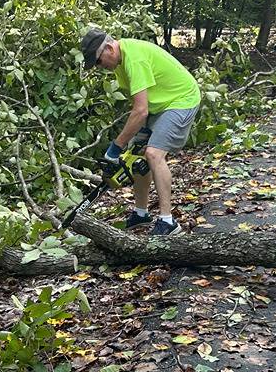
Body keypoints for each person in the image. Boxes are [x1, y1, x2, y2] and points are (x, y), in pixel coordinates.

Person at [81, 27, 200, 236]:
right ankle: (141, 213)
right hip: (160, 105)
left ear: (109, 48)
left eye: (99, 61)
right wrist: (130, 143)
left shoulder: (133, 59)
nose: (100, 67)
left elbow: (140, 110)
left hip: (181, 100)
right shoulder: (121, 62)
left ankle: (168, 221)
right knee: (136, 155)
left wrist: (116, 147)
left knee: (154, 154)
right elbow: (140, 105)